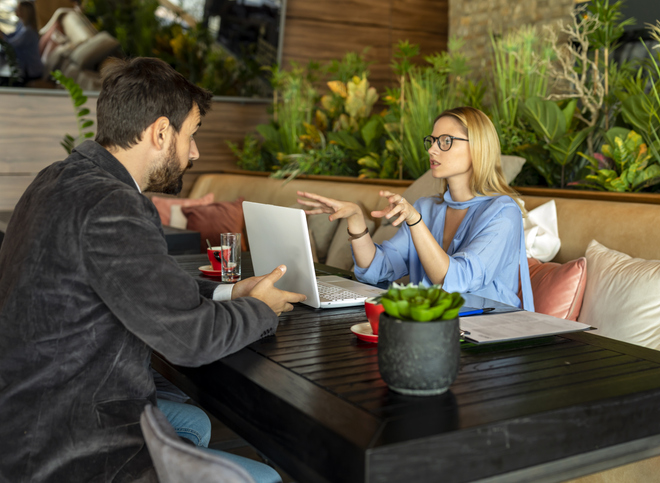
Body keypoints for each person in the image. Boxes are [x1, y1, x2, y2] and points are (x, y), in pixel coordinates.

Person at [0, 57, 306, 482]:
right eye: (192, 135)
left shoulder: (55, 179)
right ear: (161, 132)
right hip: (70, 440)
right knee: (267, 479)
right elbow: (191, 340)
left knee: (195, 424)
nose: (194, 152)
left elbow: (142, 282)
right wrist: (262, 309)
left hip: (27, 410)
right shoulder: (112, 206)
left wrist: (229, 293)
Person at [298, 106, 534, 310]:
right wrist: (356, 221)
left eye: (446, 141)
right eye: (432, 141)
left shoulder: (503, 212)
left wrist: (415, 221)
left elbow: (457, 281)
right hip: (434, 326)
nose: (432, 149)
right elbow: (378, 269)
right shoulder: (427, 207)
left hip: (491, 334)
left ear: (478, 148)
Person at [0, 1, 44, 83]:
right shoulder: (21, 25)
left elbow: (11, 45)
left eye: (19, 9)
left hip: (30, 72)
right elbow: (11, 36)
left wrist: (2, 37)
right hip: (23, 69)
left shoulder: (28, 31)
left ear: (25, 12)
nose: (15, 10)